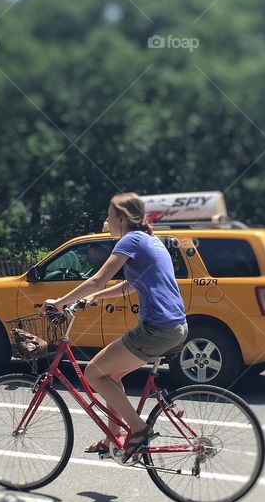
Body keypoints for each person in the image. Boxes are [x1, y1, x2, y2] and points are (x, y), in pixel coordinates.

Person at [41, 193, 188, 463]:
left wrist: (60, 303)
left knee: (94, 373)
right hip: (175, 326)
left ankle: (139, 429)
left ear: (122, 218)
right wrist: (95, 298)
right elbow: (127, 286)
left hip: (157, 327)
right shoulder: (151, 241)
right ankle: (113, 440)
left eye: (109, 215)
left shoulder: (130, 239)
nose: (106, 220)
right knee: (112, 375)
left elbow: (97, 279)